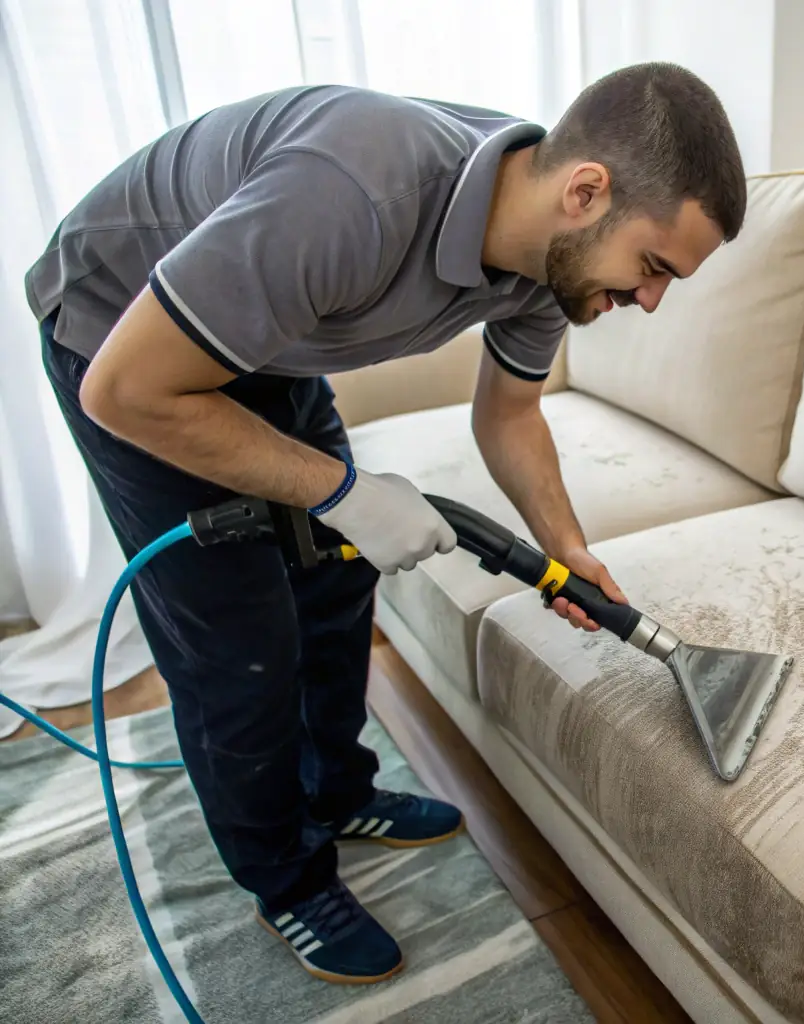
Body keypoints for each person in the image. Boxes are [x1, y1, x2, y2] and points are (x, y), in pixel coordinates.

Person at [25, 62, 746, 985]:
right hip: (124, 332)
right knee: (240, 644)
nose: (651, 300)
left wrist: (567, 549)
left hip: (268, 336)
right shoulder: (355, 191)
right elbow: (126, 390)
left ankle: (339, 793)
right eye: (653, 267)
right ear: (585, 191)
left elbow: (510, 414)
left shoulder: (545, 261)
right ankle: (286, 879)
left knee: (334, 581)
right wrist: (343, 492)